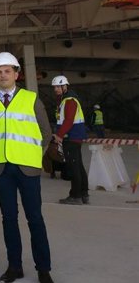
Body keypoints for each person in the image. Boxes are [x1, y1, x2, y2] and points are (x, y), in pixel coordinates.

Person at [0, 52, 55, 283]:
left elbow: (45, 133)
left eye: (7, 71)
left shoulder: (31, 99)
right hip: (2, 168)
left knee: (35, 218)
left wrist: (35, 157)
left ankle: (43, 270)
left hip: (28, 169)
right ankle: (14, 266)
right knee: (8, 219)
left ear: (16, 74)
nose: (3, 75)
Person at [52, 75, 89, 205]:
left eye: (58, 86)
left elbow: (69, 120)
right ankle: (84, 194)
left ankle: (76, 196)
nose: (56, 89)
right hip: (75, 137)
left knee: (74, 168)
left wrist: (59, 135)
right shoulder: (67, 100)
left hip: (71, 137)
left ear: (65, 86)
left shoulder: (69, 101)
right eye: (54, 87)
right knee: (79, 166)